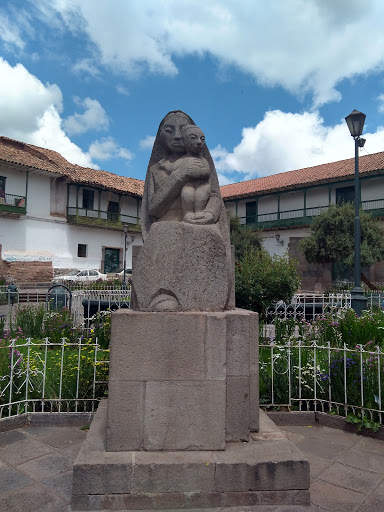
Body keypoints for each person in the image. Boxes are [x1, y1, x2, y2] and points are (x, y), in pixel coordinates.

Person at [132, 110, 232, 312]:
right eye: (170, 130)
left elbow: (214, 196)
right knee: (163, 233)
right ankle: (160, 295)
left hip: (201, 223)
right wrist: (179, 176)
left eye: (183, 130)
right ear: (161, 137)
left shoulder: (202, 165)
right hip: (166, 228)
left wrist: (210, 215)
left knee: (209, 237)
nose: (177, 135)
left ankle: (208, 298)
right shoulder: (156, 171)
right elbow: (154, 209)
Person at [158, 125, 211, 223]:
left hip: (202, 185)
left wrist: (198, 172)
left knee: (202, 193)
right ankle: (188, 213)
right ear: (183, 142)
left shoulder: (203, 160)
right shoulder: (182, 160)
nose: (199, 142)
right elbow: (172, 168)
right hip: (189, 185)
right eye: (193, 138)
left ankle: (199, 211)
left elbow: (207, 172)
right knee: (187, 193)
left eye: (202, 139)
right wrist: (165, 165)